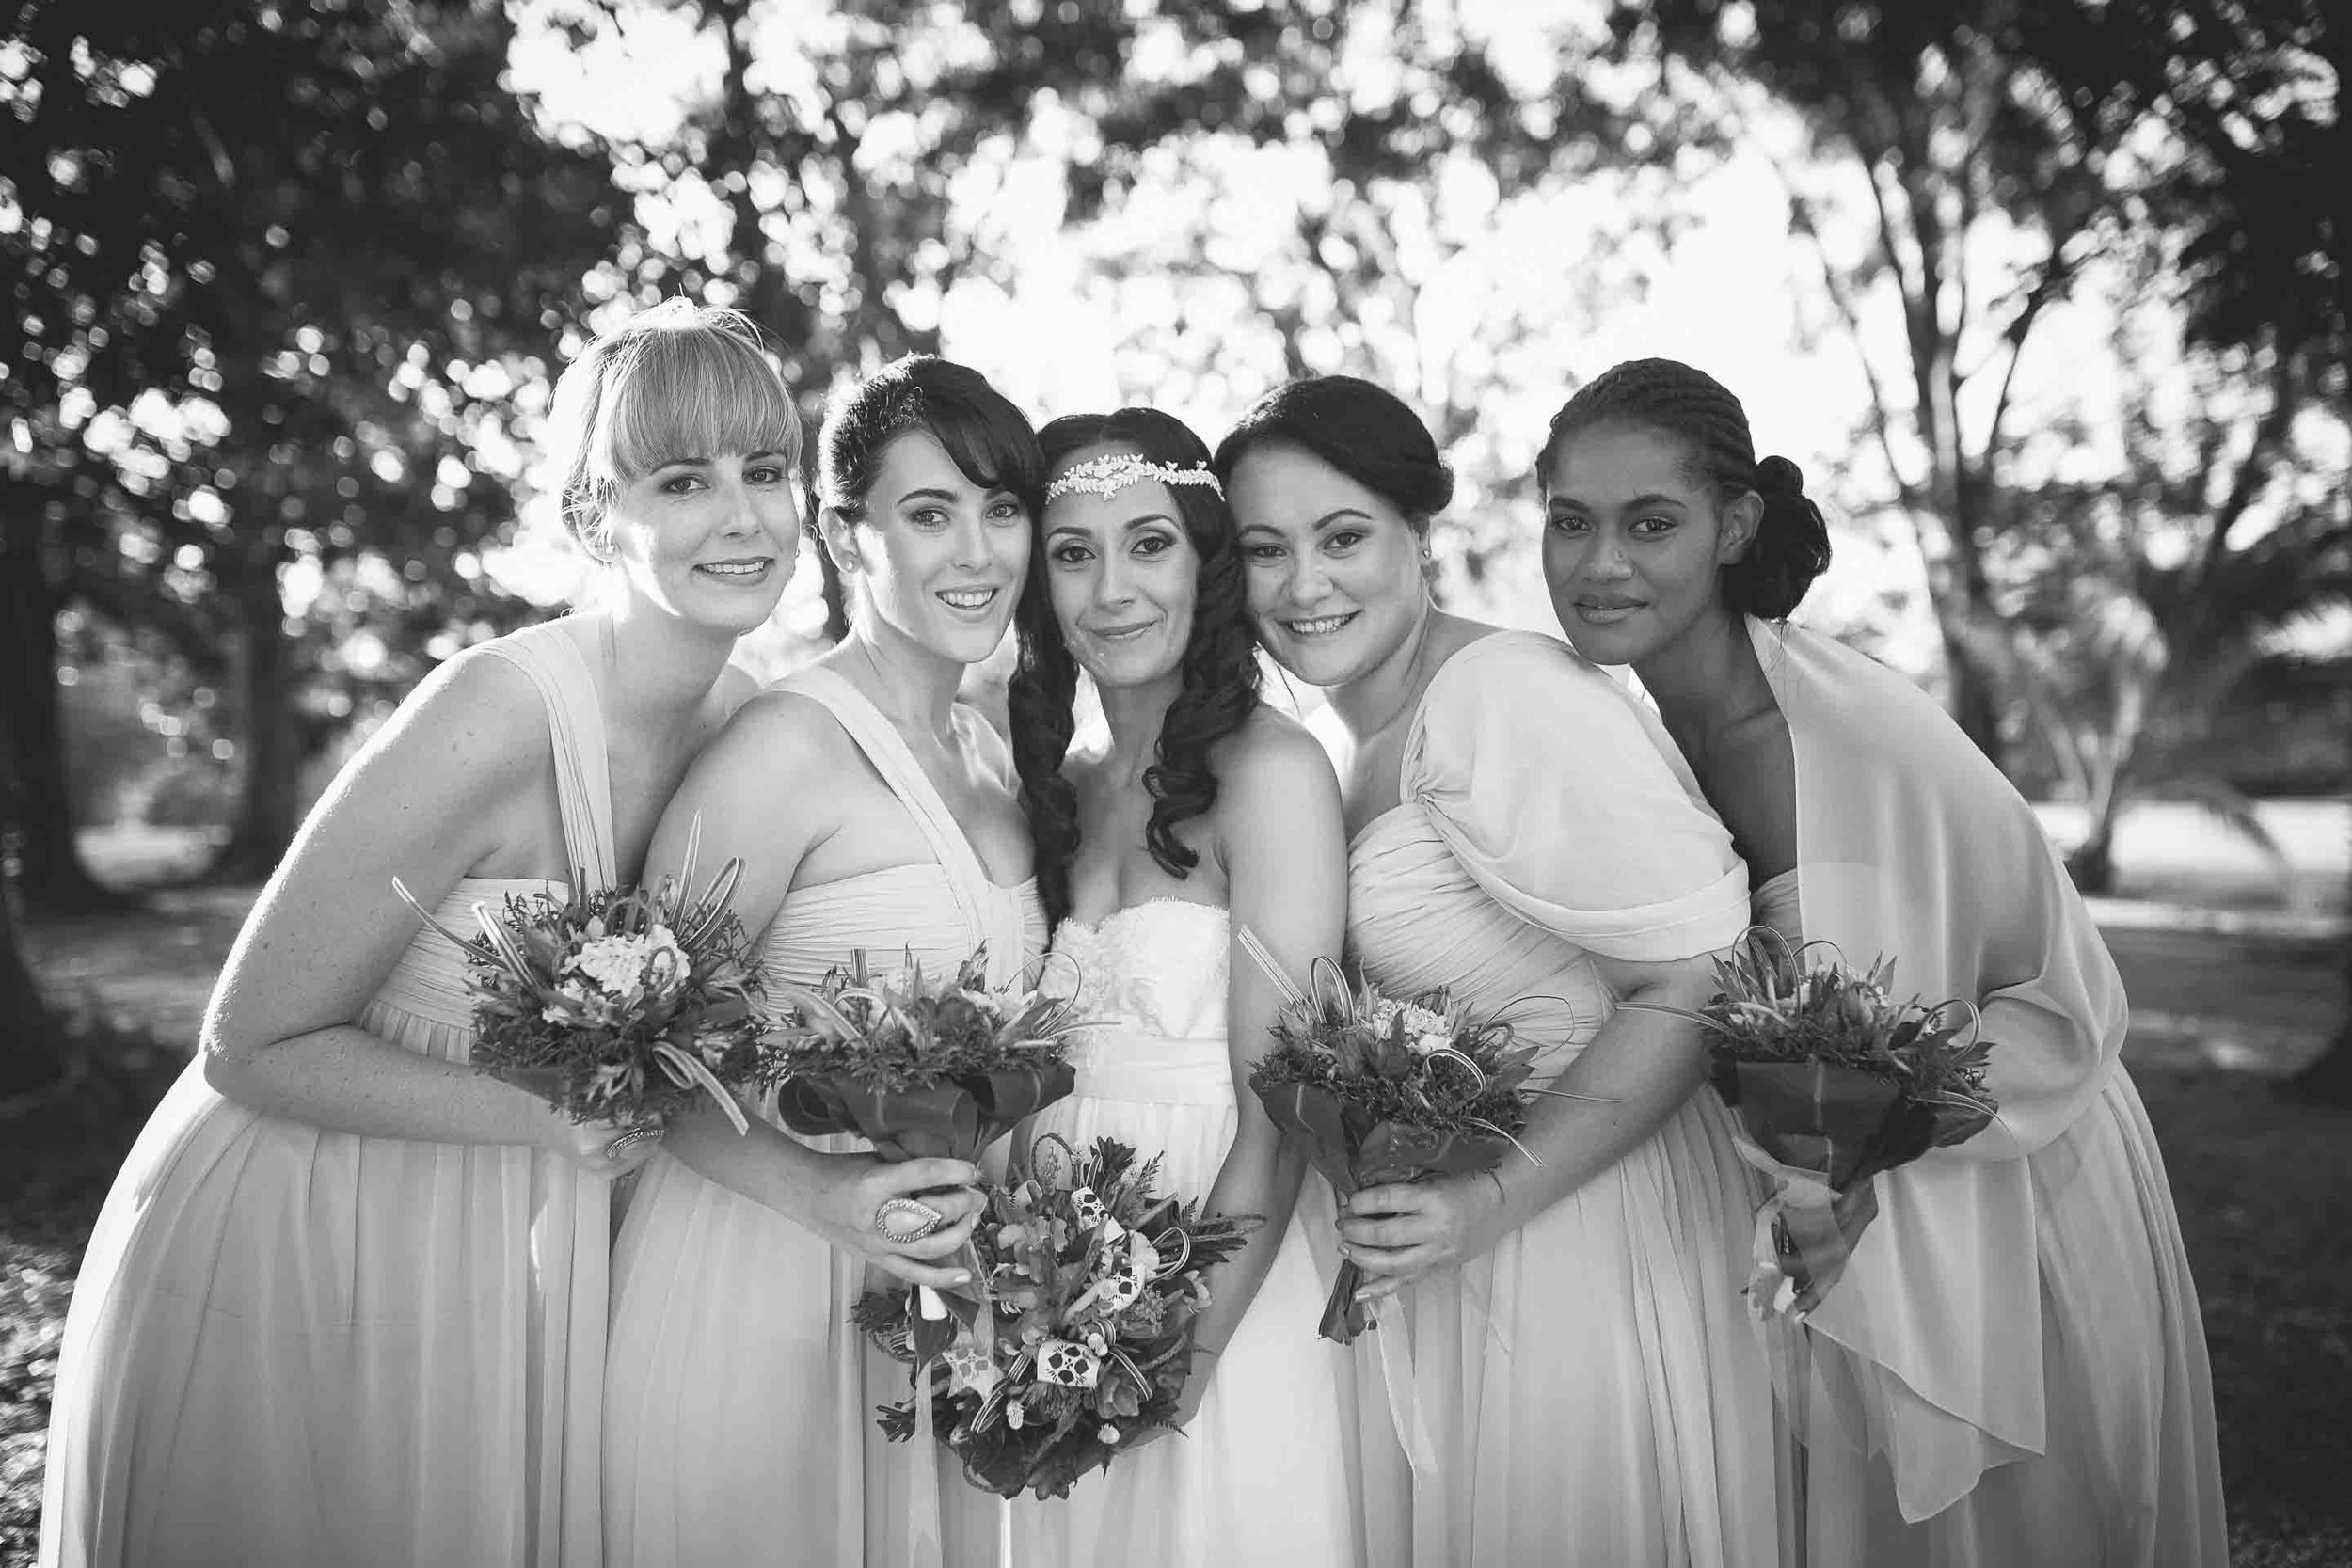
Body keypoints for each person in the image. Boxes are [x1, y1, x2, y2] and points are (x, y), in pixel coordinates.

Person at [39, 300, 801, 1567]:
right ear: (591, 518)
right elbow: (248, 1039)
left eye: (766, 469)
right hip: (302, 1228)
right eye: (683, 478)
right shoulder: (495, 711)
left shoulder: (750, 724)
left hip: (498, 1258)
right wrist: (548, 1119)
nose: (744, 514)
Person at [1536, 356, 2226, 1567]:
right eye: (1569, 521)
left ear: (1733, 525)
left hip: (2012, 1179)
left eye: (1651, 522)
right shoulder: (1632, 738)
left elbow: (2064, 996)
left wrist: (1876, 1137)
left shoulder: (1856, 729)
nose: (1602, 564)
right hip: (1821, 1200)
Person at [1216, 375, 1782, 1568]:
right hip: (1449, 1238)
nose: (1304, 584)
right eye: (1266, 549)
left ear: (1423, 531)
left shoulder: (1500, 694)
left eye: (1343, 536)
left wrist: (1489, 1200)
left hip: (1583, 1232)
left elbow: (1703, 973)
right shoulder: (1334, 741)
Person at [599, 356, 1048, 1568]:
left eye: (1001, 508)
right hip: (759, 1278)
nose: (975, 551)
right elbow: (630, 1068)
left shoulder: (992, 752)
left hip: (938, 1306)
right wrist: (830, 1200)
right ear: (848, 536)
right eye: (927, 512)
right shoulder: (782, 748)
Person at [999, 408, 1356, 1565]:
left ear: (1204, 563)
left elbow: (1282, 1118)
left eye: (1148, 543)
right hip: (1050, 1290)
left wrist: (1171, 1369)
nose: (1111, 588)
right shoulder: (1063, 783)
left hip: (1212, 1276)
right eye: (1072, 551)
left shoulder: (1271, 772)